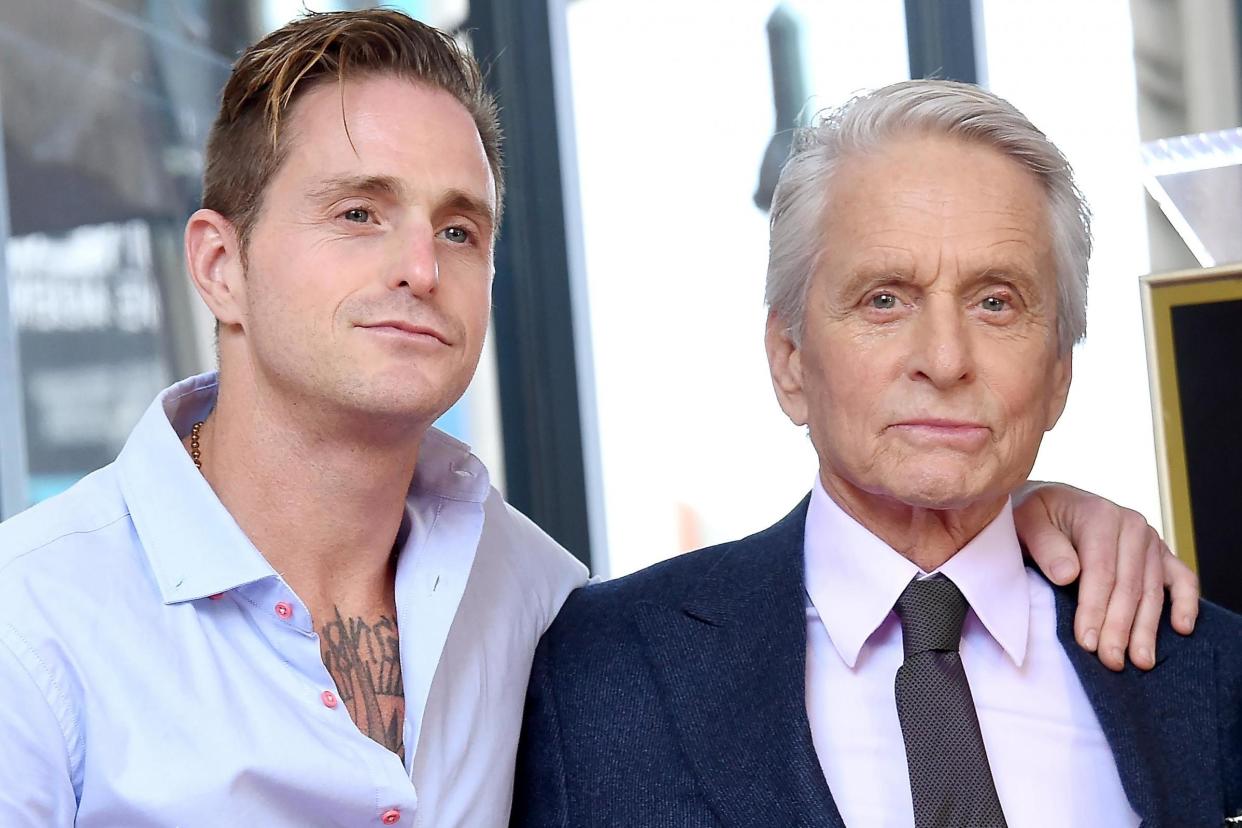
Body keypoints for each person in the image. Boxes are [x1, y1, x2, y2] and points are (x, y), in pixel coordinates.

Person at [0, 12, 1200, 827]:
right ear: (218, 266)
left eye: (459, 226)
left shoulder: (540, 609)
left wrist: (1038, 514)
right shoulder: (35, 626)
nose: (420, 264)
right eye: (359, 213)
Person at [510, 80, 1241, 828]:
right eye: (885, 299)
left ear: (1059, 373)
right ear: (789, 358)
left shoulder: (1208, 672)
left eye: (996, 302)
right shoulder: (602, 669)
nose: (945, 358)